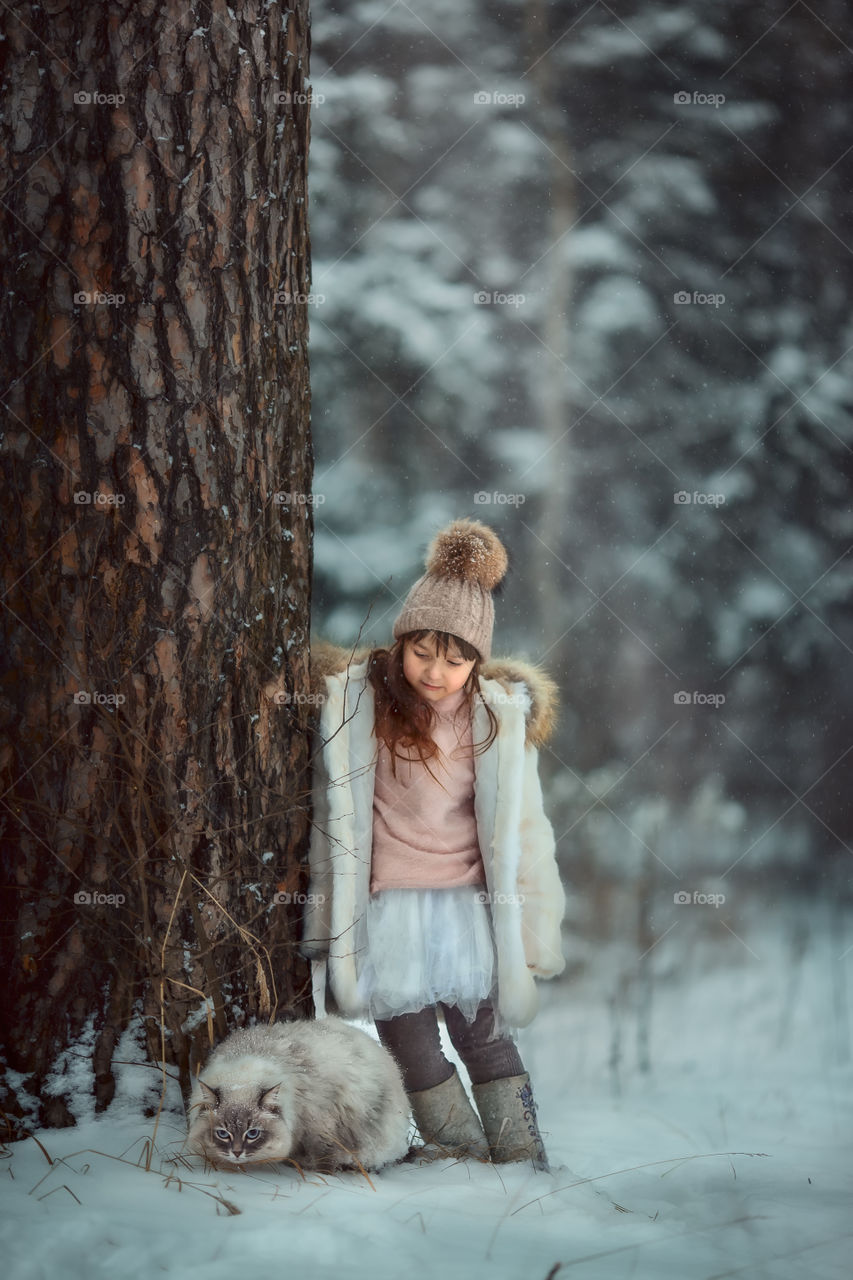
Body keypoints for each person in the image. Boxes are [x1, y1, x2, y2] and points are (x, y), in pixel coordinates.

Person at [302, 518, 566, 1168]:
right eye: (421, 651)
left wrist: (536, 937)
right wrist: (320, 924)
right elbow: (329, 821)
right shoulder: (360, 704)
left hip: (465, 909)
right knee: (409, 1044)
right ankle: (462, 1156)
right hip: (388, 906)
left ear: (476, 662)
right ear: (400, 643)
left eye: (455, 660)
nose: (435, 671)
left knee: (484, 1038)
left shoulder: (495, 719)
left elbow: (525, 833)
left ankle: (521, 1154)